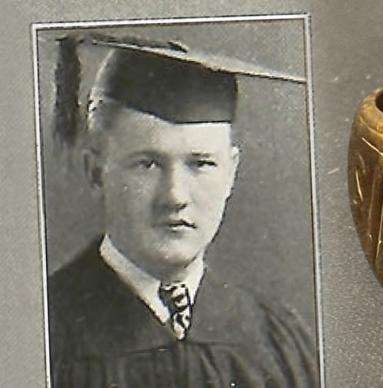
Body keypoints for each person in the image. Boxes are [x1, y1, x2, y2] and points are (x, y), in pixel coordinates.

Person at [47, 34, 316, 387]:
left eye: (201, 164)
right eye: (147, 164)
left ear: (231, 173)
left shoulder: (282, 340)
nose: (175, 197)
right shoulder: (41, 329)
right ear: (96, 171)